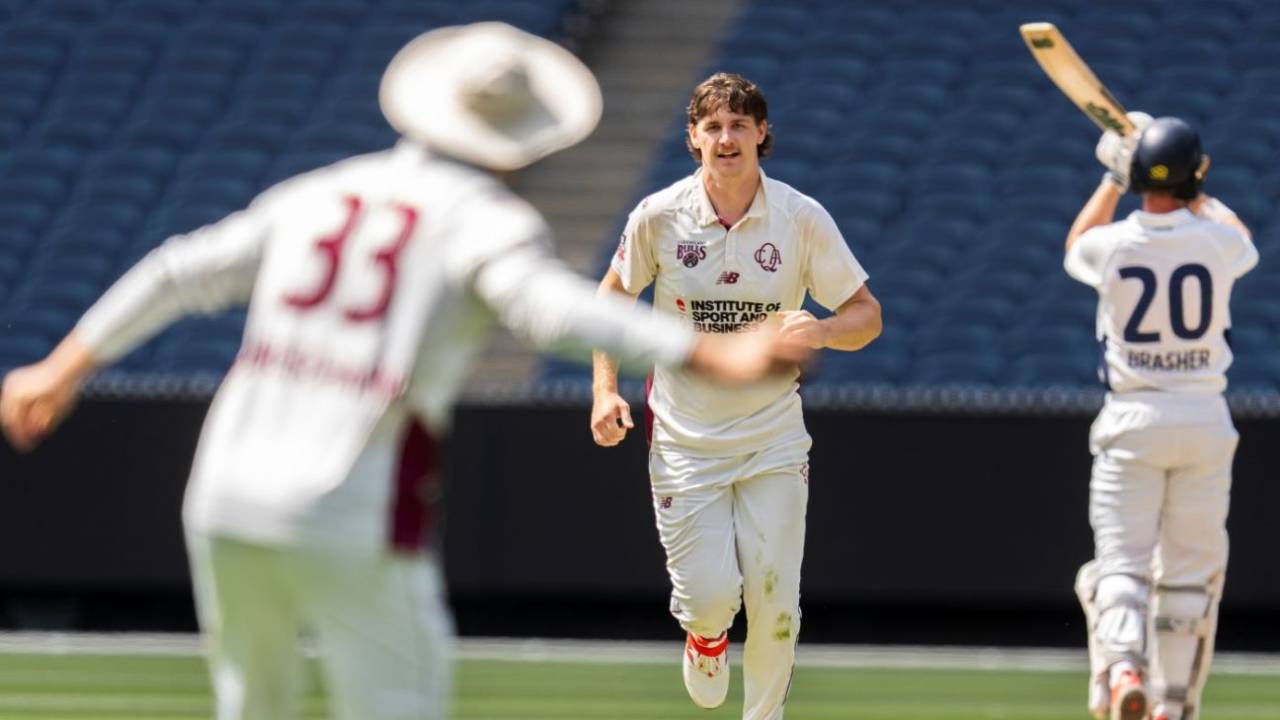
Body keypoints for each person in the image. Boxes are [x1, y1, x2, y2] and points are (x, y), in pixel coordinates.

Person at [0, 25, 811, 720]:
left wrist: (61, 367)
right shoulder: (484, 218)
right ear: (529, 135)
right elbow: (551, 310)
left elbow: (179, 271)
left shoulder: (326, 189)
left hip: (224, 493)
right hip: (351, 501)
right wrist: (707, 350)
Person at [589, 72, 882, 720]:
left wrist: (826, 329)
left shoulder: (800, 218)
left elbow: (868, 314)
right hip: (685, 445)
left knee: (777, 604)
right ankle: (705, 634)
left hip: (773, 439)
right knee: (712, 598)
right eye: (713, 126)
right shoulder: (660, 217)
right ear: (694, 137)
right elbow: (610, 301)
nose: (727, 138)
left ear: (761, 134)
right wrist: (604, 391)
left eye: (739, 125)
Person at [1067, 113, 1257, 720]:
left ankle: (1125, 666)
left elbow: (1076, 242)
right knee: (1188, 573)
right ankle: (1172, 705)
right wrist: (1193, 186)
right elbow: (1239, 233)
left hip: (1134, 416)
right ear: (1194, 177)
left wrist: (1111, 176)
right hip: (1204, 417)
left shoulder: (1115, 243)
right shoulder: (1218, 241)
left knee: (1122, 561)